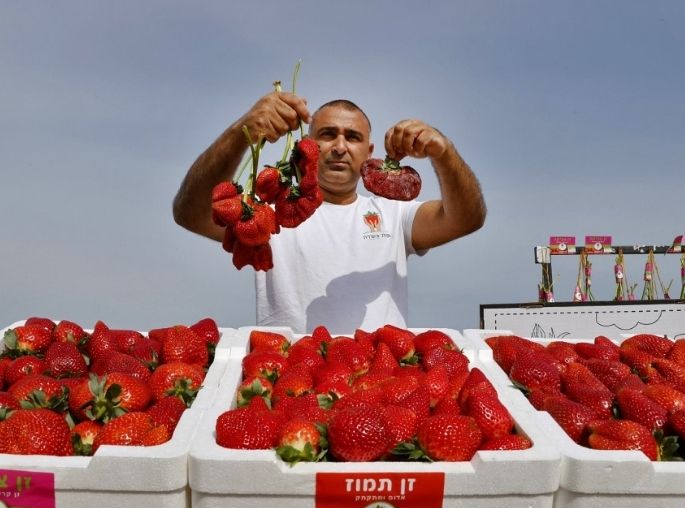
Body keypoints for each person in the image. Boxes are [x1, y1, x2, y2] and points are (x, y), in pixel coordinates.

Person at [173, 90, 487, 334]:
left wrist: (443, 152)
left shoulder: (395, 214)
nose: (339, 146)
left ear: (369, 152)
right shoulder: (268, 210)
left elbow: (466, 218)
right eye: (327, 134)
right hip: (289, 382)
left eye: (352, 137)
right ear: (306, 145)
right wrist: (242, 132)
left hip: (380, 384)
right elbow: (191, 212)